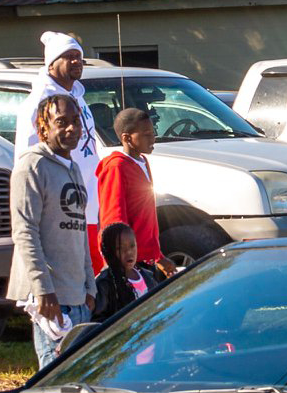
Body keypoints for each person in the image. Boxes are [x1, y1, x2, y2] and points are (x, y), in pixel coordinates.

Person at [12, 95, 95, 368]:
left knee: (79, 377)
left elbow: (80, 230)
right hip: (50, 298)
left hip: (78, 296)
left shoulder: (73, 169)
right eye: (61, 122)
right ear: (42, 128)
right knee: (56, 378)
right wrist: (43, 289)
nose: (71, 129)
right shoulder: (32, 166)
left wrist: (90, 286)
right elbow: (25, 231)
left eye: (75, 122)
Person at [14, 31, 101, 265]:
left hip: (86, 200)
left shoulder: (78, 98)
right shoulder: (39, 103)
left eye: (79, 57)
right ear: (51, 64)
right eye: (69, 56)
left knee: (87, 273)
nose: (76, 61)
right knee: (63, 273)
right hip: (59, 206)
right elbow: (29, 158)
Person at [97, 108, 176, 278]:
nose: (153, 138)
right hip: (128, 262)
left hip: (146, 259)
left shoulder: (143, 161)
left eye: (153, 132)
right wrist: (122, 263)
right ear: (127, 138)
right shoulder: (116, 167)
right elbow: (114, 218)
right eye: (146, 134)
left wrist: (158, 256)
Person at [91, 222, 167, 323]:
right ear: (109, 251)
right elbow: (98, 321)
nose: (129, 252)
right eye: (120, 248)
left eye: (132, 246)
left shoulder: (147, 276)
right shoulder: (104, 283)